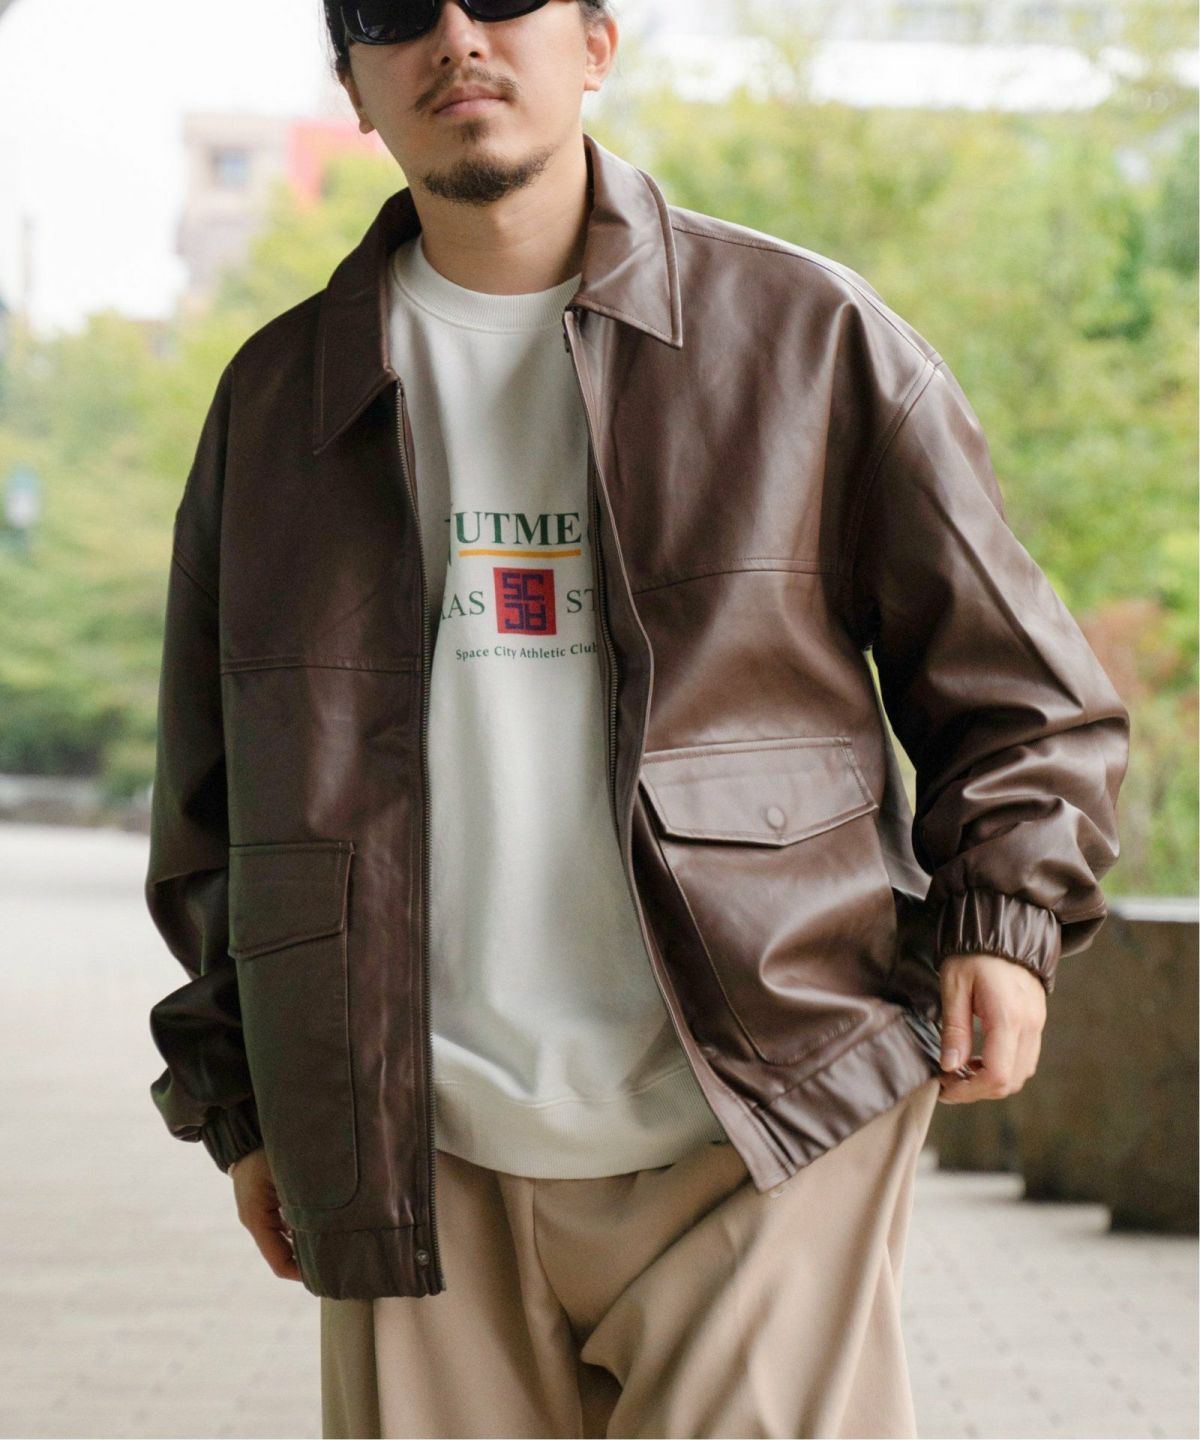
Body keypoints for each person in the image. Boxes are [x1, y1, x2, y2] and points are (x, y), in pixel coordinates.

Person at [143, 1, 1131, 1435]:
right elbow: (210, 799)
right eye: (393, 10)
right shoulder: (276, 404)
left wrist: (1006, 922)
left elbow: (1023, 686)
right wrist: (244, 1105)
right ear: (352, 85)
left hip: (772, 1107)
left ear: (598, 44)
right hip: (413, 1142)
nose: (455, 36)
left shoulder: (807, 337)